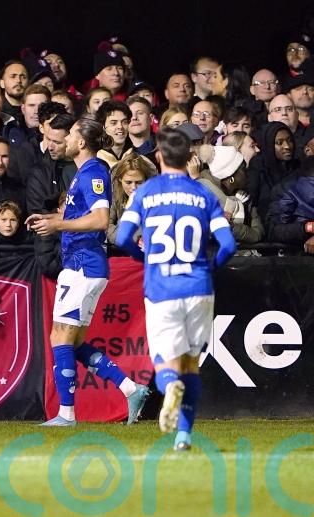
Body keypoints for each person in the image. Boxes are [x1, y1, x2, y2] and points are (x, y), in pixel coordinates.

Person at [115, 128, 237, 451]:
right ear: (190, 158)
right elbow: (228, 244)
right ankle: (183, 437)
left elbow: (121, 236)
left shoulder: (145, 193)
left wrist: (144, 258)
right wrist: (210, 267)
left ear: (159, 156)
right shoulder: (204, 195)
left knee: (165, 361)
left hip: (161, 287)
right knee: (191, 363)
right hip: (198, 285)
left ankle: (169, 387)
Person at [25, 117, 150, 427]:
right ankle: (130, 388)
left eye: (68, 134)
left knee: (60, 338)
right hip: (82, 263)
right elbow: (81, 214)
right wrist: (48, 218)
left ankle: (66, 414)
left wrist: (58, 225)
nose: (63, 139)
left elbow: (98, 220)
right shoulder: (83, 173)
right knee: (74, 341)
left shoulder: (94, 172)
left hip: (84, 264)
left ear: (81, 141)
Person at [106, 152, 156, 250]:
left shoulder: (156, 192)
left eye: (139, 182)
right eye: (128, 182)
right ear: (120, 179)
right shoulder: (113, 189)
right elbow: (106, 226)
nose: (133, 187)